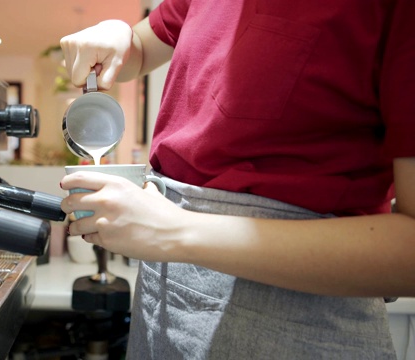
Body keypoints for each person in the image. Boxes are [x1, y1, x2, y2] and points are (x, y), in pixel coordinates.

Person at [58, 0, 415, 359]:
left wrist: (173, 231)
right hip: (161, 312)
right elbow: (137, 49)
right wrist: (119, 35)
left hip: (299, 330)